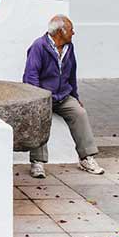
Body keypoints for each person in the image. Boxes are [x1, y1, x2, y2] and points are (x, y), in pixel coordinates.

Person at [22, 14, 104, 178]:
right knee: (38, 117)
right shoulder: (39, 46)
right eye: (71, 29)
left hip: (63, 95)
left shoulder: (69, 48)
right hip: (43, 96)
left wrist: (75, 95)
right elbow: (31, 76)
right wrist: (38, 99)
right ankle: (37, 162)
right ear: (61, 31)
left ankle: (86, 158)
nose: (73, 33)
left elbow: (72, 74)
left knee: (79, 113)